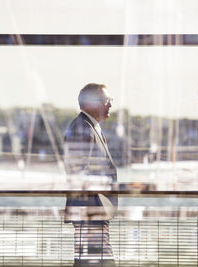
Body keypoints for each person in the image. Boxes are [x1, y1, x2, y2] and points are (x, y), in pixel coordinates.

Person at [64, 83, 117, 267]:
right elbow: (78, 173)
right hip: (89, 214)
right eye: (106, 100)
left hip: (93, 213)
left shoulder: (89, 127)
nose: (110, 104)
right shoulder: (82, 128)